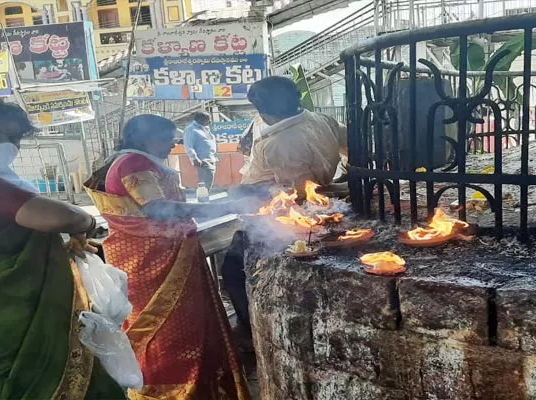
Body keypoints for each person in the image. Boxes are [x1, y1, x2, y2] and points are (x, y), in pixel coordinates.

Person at [0, 99, 125, 399]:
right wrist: (88, 223)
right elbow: (57, 217)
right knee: (26, 384)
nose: (4, 147)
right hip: (7, 311)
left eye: (12, 139)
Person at [85, 114, 252, 400]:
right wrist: (222, 207)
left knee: (181, 333)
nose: (173, 143)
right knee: (169, 335)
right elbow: (157, 208)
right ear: (141, 138)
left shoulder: (138, 161)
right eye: (166, 138)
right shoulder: (133, 163)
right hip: (153, 264)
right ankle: (172, 393)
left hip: (162, 257)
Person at [224, 77, 349, 338]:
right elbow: (351, 147)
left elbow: (294, 193)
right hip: (316, 198)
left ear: (263, 109)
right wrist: (344, 179)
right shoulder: (320, 120)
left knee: (235, 269)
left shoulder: (279, 142)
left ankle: (252, 332)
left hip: (280, 215)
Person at [184, 112, 218, 191]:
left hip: (211, 159)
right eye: (208, 119)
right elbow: (188, 145)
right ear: (200, 120)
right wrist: (194, 158)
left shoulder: (204, 129)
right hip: (202, 161)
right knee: (204, 185)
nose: (210, 122)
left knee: (208, 183)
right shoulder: (191, 129)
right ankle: (203, 200)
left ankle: (205, 199)